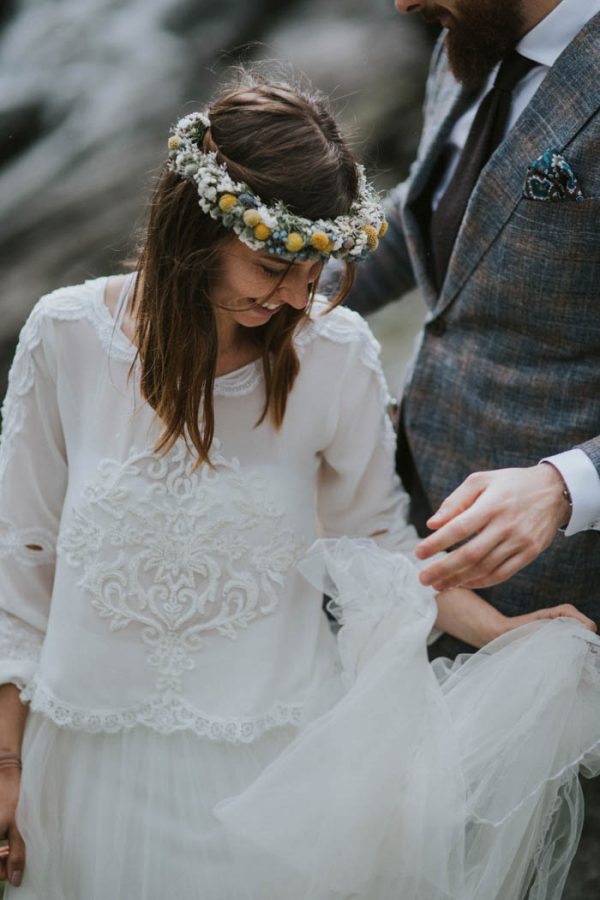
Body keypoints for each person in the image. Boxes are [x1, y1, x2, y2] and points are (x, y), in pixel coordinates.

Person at [0, 72, 598, 900]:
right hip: (82, 768)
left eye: (314, 269)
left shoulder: (334, 352)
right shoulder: (63, 337)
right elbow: (18, 566)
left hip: (273, 782)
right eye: (273, 264)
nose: (294, 296)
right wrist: (5, 763)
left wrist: (509, 635)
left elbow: (378, 551)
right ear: (199, 227)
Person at [338, 0, 600, 656]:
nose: (402, 5)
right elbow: (430, 214)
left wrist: (564, 486)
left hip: (562, 597)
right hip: (412, 532)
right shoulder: (470, 37)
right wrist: (276, 291)